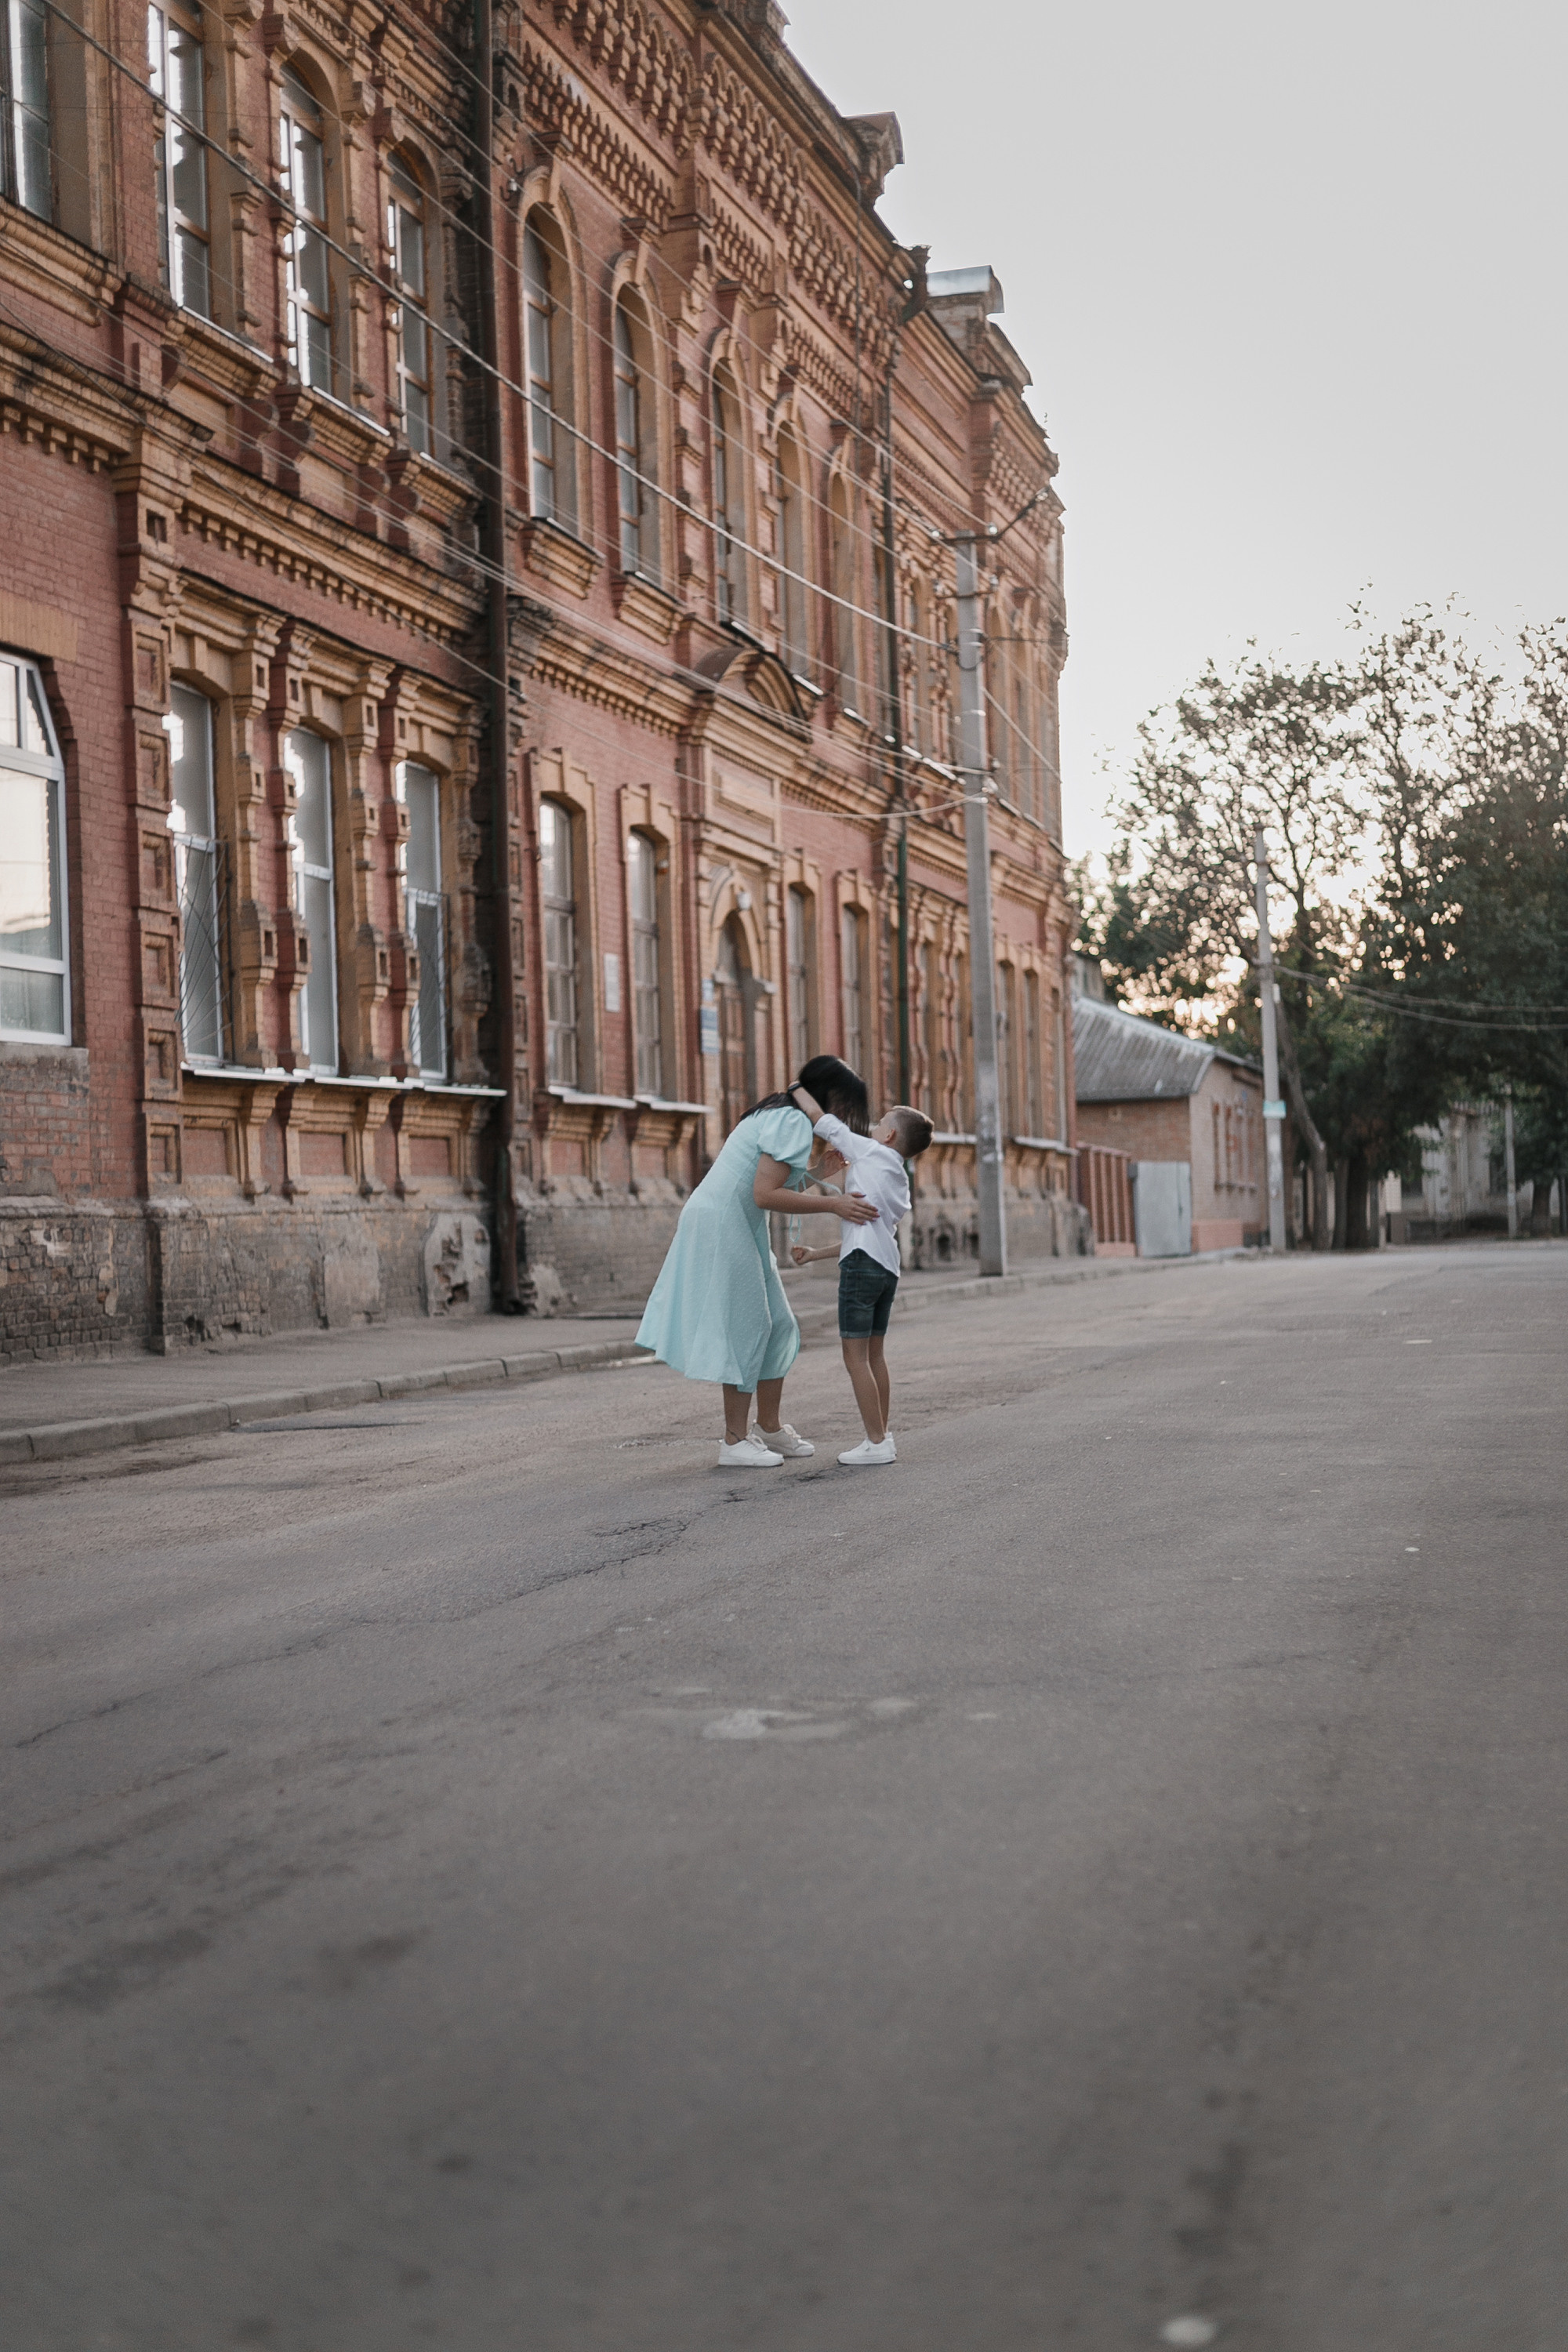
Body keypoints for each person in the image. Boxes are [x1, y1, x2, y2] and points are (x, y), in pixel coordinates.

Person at [636, 1057, 879, 1468]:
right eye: (840, 1104)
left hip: (736, 1223)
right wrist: (833, 1204)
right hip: (723, 1223)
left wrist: (820, 1171)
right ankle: (734, 1440)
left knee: (780, 1326)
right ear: (822, 1095)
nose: (840, 1116)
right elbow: (765, 1195)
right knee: (751, 1325)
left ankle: (768, 1427)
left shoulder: (782, 1115)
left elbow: (771, 1183)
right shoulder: (791, 1122)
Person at [788, 1080, 934, 1465]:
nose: (873, 1122)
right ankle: (881, 1434)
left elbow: (824, 1121)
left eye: (881, 1119)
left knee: (854, 1357)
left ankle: (876, 1441)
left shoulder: (869, 1152)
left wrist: (797, 1088)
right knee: (874, 1356)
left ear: (888, 1135)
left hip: (862, 1267)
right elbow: (866, 1233)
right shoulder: (898, 1179)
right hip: (885, 1268)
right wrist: (816, 1253)